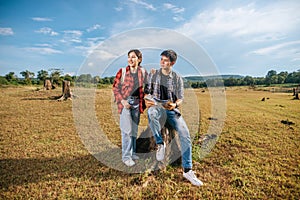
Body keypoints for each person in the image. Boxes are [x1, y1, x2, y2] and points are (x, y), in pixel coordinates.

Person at [144, 49, 203, 186]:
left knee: (185, 134)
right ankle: (160, 144)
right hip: (156, 106)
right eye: (161, 59)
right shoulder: (153, 75)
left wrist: (175, 104)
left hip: (171, 109)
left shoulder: (177, 78)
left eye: (165, 60)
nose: (162, 62)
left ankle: (187, 170)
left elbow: (181, 98)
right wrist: (147, 100)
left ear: (172, 63)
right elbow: (147, 91)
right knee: (151, 113)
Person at [112, 49, 148, 167]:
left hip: (137, 103)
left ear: (139, 59)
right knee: (126, 131)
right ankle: (126, 157)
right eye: (129, 57)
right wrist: (122, 101)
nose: (130, 59)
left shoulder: (142, 72)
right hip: (126, 103)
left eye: (133, 57)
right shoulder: (122, 72)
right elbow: (115, 88)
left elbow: (147, 87)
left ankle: (132, 153)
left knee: (133, 129)